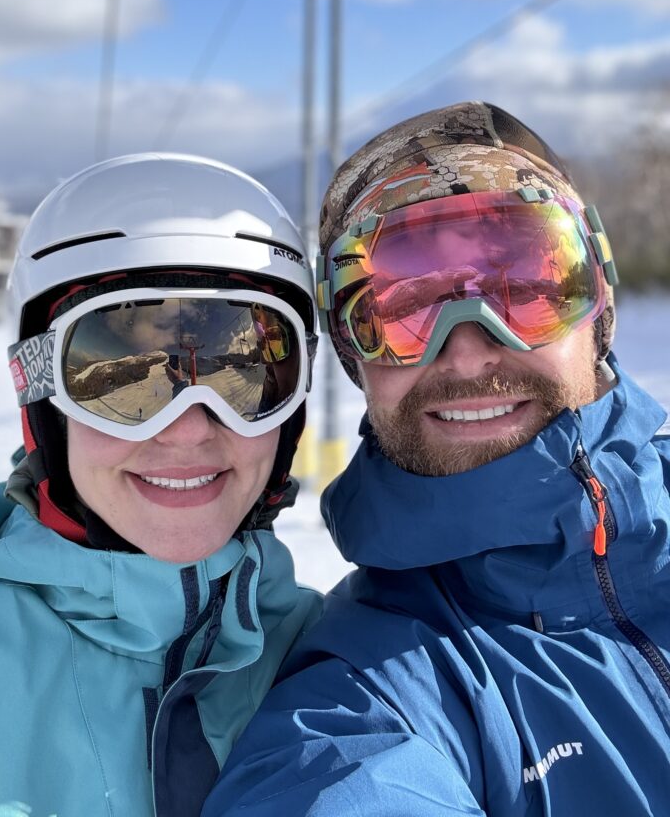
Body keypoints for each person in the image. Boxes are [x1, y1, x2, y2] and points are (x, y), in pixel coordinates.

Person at [204, 102, 670, 816]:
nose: (468, 346)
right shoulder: (367, 695)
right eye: (400, 308)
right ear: (354, 358)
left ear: (597, 302)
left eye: (525, 285)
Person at [0, 153, 321, 817]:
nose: (187, 432)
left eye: (240, 371)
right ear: (39, 396)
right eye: (123, 377)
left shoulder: (336, 658)